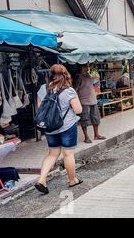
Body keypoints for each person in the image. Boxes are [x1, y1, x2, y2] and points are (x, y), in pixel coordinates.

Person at [35, 65, 83, 194]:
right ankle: (72, 180)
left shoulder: (43, 89)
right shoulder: (69, 91)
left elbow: (40, 109)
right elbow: (78, 110)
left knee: (52, 154)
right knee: (68, 154)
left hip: (50, 128)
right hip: (67, 126)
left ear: (50, 75)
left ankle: (42, 179)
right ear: (65, 74)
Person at [74, 65, 106, 144]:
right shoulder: (79, 77)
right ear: (81, 68)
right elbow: (75, 89)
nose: (87, 68)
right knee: (84, 120)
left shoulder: (89, 75)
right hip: (84, 101)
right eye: (85, 66)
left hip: (93, 100)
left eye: (88, 67)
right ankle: (86, 137)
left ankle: (96, 135)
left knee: (96, 119)